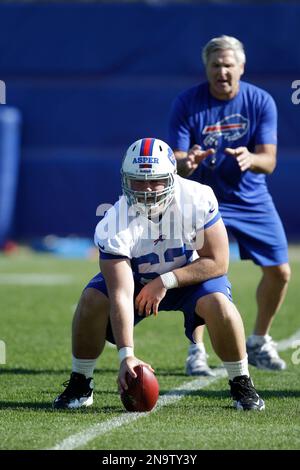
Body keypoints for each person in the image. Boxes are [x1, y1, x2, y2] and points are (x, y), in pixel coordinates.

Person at [53, 137, 264, 411]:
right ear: (125, 180)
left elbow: (219, 262)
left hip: (189, 277)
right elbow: (120, 294)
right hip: (138, 281)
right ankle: (81, 382)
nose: (147, 190)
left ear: (172, 177)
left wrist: (165, 281)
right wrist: (126, 356)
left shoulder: (197, 198)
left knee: (221, 305)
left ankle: (241, 383)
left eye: (156, 180)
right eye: (138, 181)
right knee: (92, 299)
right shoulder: (113, 223)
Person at [168, 35, 291, 376]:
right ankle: (196, 350)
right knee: (196, 272)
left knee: (280, 271)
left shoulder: (260, 101)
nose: (222, 72)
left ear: (241, 67)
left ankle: (259, 340)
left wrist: (250, 157)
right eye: (215, 65)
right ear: (206, 69)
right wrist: (188, 160)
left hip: (251, 198)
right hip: (201, 200)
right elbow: (176, 163)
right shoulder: (187, 102)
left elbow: (270, 161)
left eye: (228, 65)